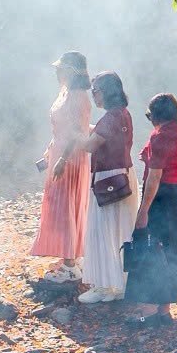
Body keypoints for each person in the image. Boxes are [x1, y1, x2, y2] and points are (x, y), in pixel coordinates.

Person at [124, 92, 177, 317]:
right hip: (175, 195)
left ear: (156, 115)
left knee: (152, 247)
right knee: (171, 248)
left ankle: (149, 307)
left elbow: (154, 177)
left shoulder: (160, 136)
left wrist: (143, 210)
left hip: (160, 196)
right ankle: (164, 307)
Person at [32, 52, 91, 270]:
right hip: (60, 154)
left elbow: (77, 132)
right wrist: (50, 154)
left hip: (71, 157)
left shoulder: (78, 97)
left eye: (60, 69)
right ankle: (67, 253)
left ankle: (70, 260)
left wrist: (63, 159)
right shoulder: (65, 93)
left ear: (70, 71)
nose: (56, 72)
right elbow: (60, 129)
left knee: (67, 203)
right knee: (58, 203)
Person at [79, 72, 134, 302]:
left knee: (102, 232)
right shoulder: (123, 114)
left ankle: (103, 286)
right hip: (123, 175)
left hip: (106, 178)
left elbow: (90, 146)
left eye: (96, 91)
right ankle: (119, 284)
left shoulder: (110, 118)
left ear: (107, 91)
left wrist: (73, 136)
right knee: (121, 230)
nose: (94, 96)